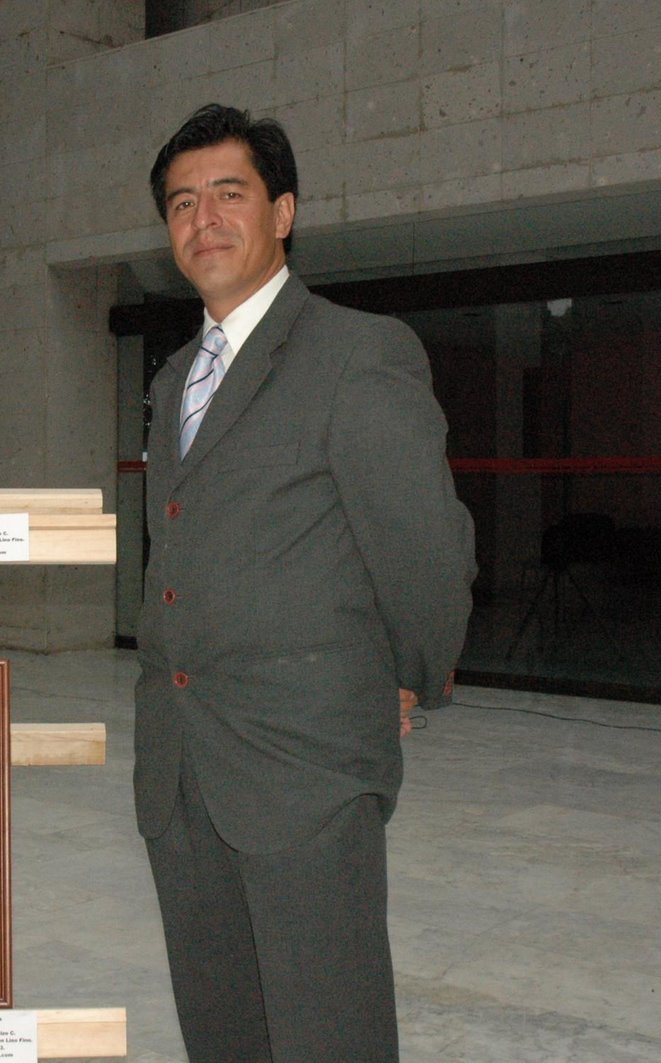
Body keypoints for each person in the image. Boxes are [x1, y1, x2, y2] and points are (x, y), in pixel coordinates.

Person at [135, 103, 477, 1062]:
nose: (203, 220)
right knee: (222, 1025)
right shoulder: (172, 382)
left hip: (306, 764)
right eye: (182, 203)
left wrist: (410, 673)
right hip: (181, 762)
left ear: (282, 211)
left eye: (229, 194)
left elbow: (425, 545)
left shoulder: (356, 353)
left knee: (330, 1029)